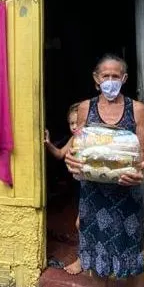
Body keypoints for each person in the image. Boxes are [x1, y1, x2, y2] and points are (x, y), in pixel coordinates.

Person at [64, 54, 144, 287]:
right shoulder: (86, 108)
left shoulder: (136, 110)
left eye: (116, 76)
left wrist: (139, 174)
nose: (110, 81)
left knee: (131, 256)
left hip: (126, 195)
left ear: (124, 79)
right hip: (93, 194)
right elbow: (77, 148)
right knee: (97, 252)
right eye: (105, 76)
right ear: (96, 78)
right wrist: (71, 162)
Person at [43, 103, 85, 275]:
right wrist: (47, 143)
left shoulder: (95, 139)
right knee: (83, 222)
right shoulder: (74, 139)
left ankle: (83, 260)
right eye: (71, 123)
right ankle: (87, 259)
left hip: (94, 186)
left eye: (78, 122)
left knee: (81, 223)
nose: (74, 127)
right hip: (81, 186)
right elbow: (60, 154)